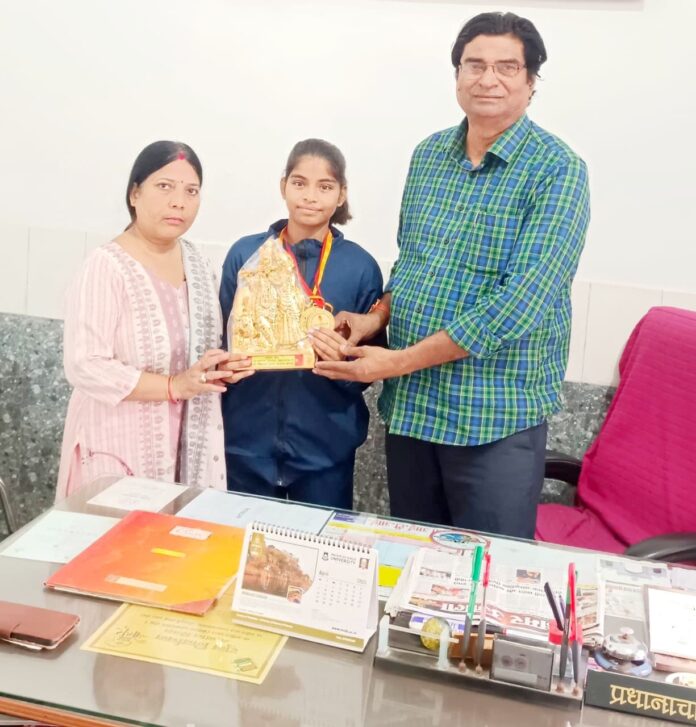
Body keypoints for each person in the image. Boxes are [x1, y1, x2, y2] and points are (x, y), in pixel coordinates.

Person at [315, 12, 591, 539]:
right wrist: (375, 319)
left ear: (532, 81)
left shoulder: (558, 170)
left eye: (507, 67)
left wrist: (397, 361)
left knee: (489, 576)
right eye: (475, 64)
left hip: (493, 419)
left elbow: (520, 304)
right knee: (415, 563)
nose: (489, 79)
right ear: (457, 74)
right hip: (415, 411)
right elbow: (413, 266)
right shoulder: (428, 156)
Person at [56, 141, 251, 499]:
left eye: (191, 191)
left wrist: (218, 369)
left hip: (186, 451)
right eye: (165, 186)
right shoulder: (106, 266)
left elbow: (196, 355)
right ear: (135, 193)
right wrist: (174, 386)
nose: (179, 201)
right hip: (115, 448)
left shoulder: (198, 264)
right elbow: (85, 365)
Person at [219, 139, 383, 509]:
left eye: (324, 186)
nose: (310, 196)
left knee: (319, 543)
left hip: (326, 449)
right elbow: (222, 339)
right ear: (283, 186)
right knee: (245, 541)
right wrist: (229, 364)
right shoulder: (247, 255)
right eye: (299, 183)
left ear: (341, 194)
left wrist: (343, 363)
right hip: (247, 444)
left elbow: (371, 364)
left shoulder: (360, 267)